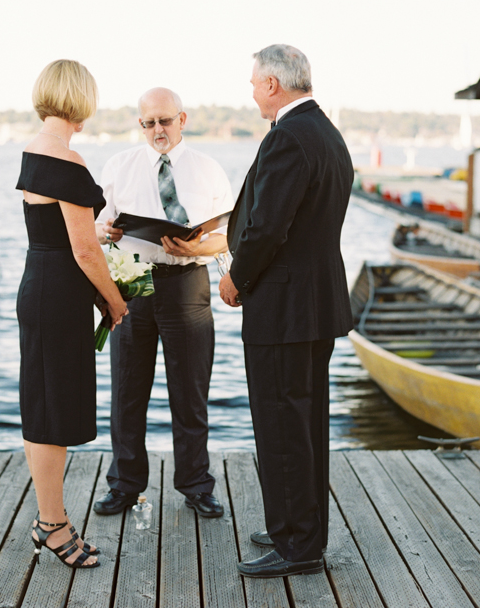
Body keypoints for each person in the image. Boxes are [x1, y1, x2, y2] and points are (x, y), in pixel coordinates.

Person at [219, 45, 354, 578]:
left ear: (274, 84)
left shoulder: (287, 138)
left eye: (254, 83)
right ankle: (295, 527)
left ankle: (297, 546)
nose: (252, 91)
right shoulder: (327, 133)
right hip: (315, 301)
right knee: (304, 420)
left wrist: (236, 277)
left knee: (281, 423)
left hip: (283, 304)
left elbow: (268, 227)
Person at [92, 87, 233, 519]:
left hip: (187, 285)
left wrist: (197, 250)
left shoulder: (208, 169)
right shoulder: (119, 166)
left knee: (190, 392)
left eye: (165, 121)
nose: (157, 129)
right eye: (149, 122)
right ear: (140, 125)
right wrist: (108, 231)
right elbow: (95, 226)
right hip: (134, 286)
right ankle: (124, 485)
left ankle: (195, 485)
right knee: (127, 393)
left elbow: (229, 234)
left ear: (182, 119)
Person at [16, 59, 129, 570]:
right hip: (60, 294)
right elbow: (84, 253)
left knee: (42, 409)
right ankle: (53, 525)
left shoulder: (33, 150)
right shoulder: (69, 159)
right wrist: (114, 298)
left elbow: (55, 230)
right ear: (81, 100)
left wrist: (95, 237)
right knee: (53, 415)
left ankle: (49, 518)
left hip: (37, 282)